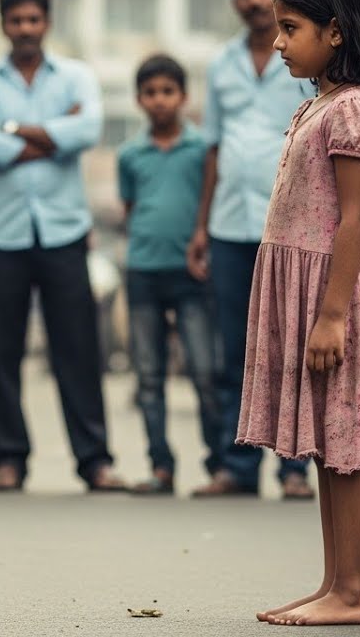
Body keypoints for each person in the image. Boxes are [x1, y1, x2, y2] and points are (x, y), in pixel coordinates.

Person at [237, 0, 360, 626]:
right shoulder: (320, 104)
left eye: (291, 28)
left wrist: (332, 314)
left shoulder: (355, 110)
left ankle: (355, 592)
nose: (279, 41)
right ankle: (335, 583)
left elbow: (357, 219)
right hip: (308, 289)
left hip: (333, 292)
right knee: (327, 446)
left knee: (345, 441)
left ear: (335, 31)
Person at [0, 0, 126, 493]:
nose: (25, 28)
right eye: (16, 20)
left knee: (78, 349)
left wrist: (13, 130)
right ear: (3, 25)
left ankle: (94, 460)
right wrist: (54, 134)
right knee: (2, 351)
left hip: (64, 231)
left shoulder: (77, 76)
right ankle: (9, 460)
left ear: (47, 22)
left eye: (33, 19)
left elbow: (88, 131)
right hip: (0, 234)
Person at [187, 0, 315, 499]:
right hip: (230, 224)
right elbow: (213, 147)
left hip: (291, 226)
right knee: (234, 351)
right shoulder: (222, 64)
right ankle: (236, 468)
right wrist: (200, 227)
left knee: (291, 348)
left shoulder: (307, 55)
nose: (254, 0)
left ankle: (293, 469)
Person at [116, 55, 216, 496]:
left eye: (168, 92)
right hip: (143, 271)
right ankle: (161, 466)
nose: (160, 100)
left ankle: (219, 464)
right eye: (151, 93)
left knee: (204, 370)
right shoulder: (129, 155)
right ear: (139, 100)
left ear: (183, 96)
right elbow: (130, 208)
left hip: (191, 272)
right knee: (149, 377)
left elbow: (208, 202)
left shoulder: (201, 149)